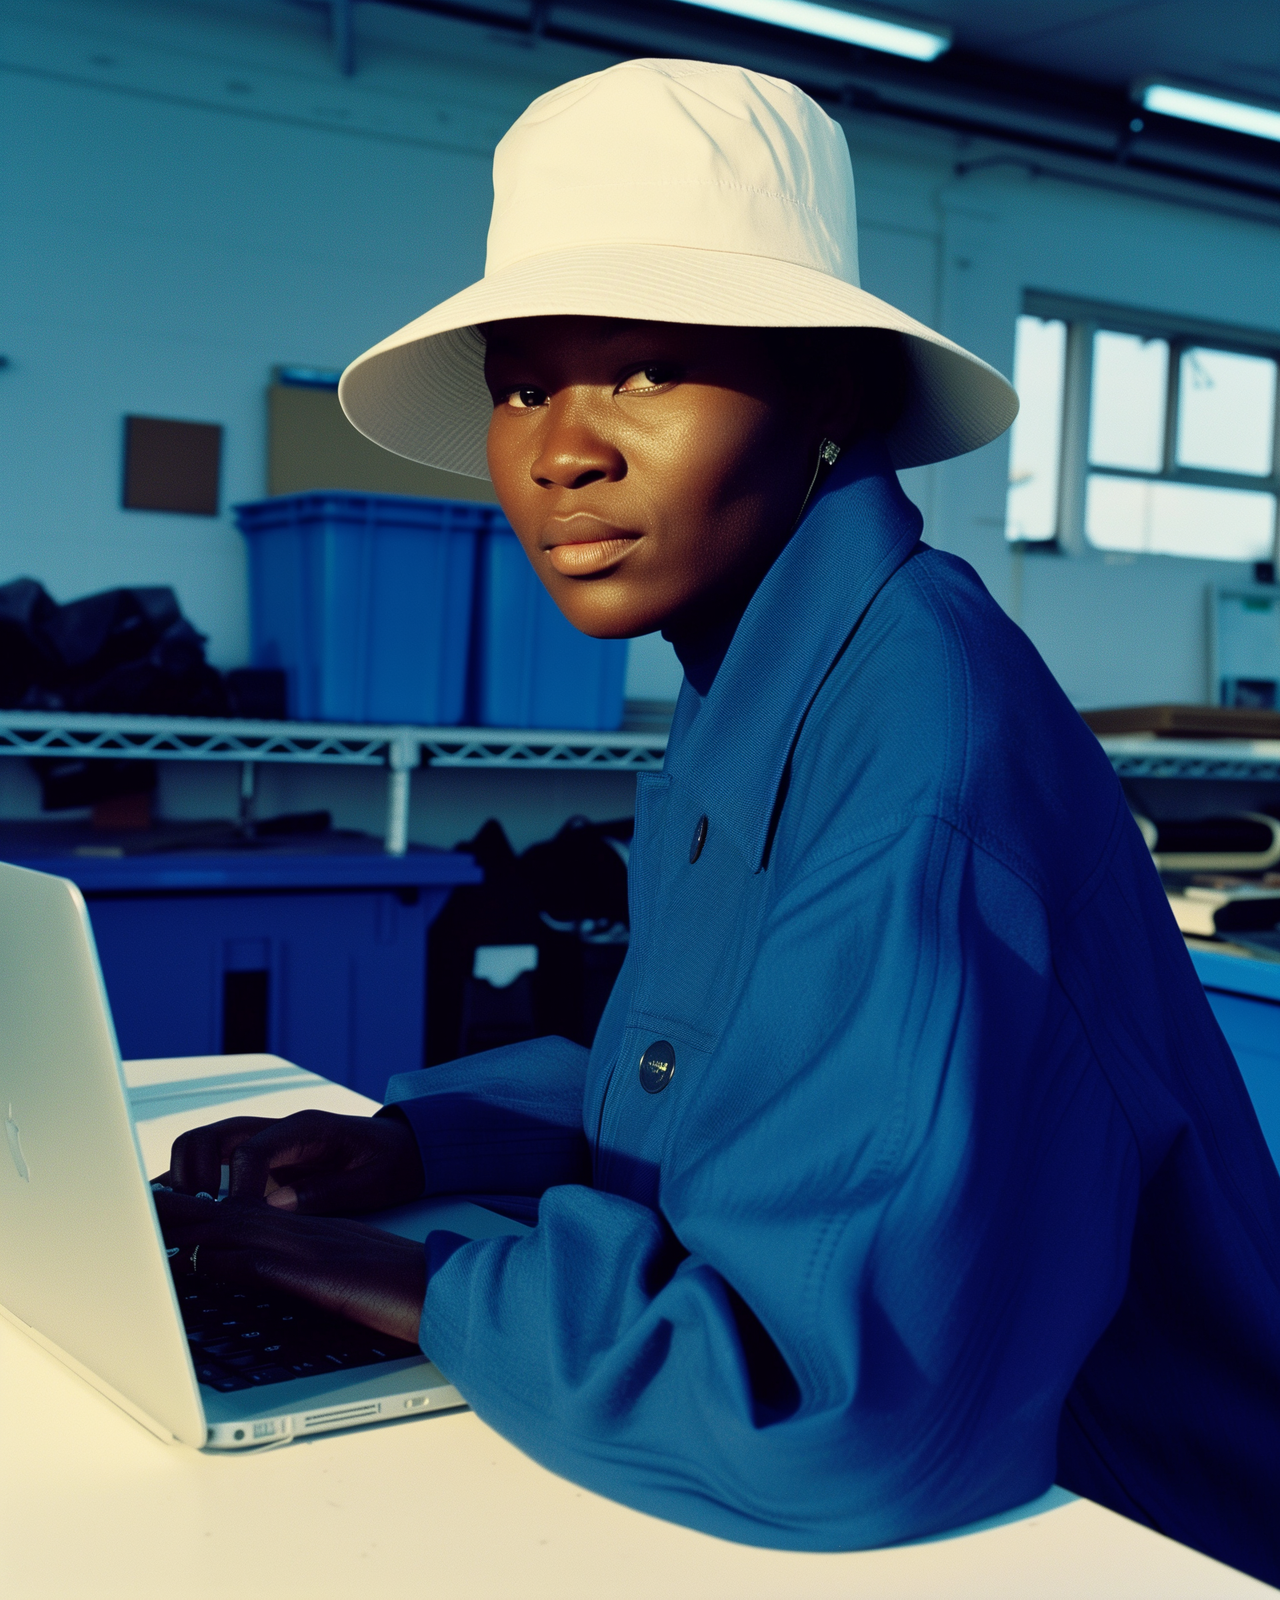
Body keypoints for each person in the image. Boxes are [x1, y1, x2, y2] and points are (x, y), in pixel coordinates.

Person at [155, 60, 1280, 1583]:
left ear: (832, 393)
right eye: (524, 382)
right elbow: (720, 1081)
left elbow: (826, 1407)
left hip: (1123, 1530)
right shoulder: (765, 665)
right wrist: (414, 1147)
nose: (565, 448)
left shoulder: (921, 741)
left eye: (648, 368)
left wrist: (396, 1282)